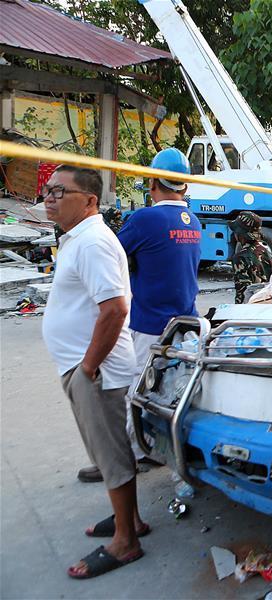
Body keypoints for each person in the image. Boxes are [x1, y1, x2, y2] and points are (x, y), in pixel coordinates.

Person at [41, 165, 146, 578]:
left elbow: (115, 309)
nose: (49, 198)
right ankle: (129, 519)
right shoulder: (77, 238)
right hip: (84, 366)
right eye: (48, 190)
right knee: (107, 451)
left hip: (96, 370)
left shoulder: (93, 242)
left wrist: (87, 367)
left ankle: (126, 541)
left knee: (111, 455)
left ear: (89, 201)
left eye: (59, 192)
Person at [113, 147, 201, 468]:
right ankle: (164, 446)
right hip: (186, 322)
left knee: (138, 388)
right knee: (172, 387)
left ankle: (136, 453)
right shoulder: (193, 221)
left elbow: (112, 253)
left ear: (152, 182)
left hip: (150, 323)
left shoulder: (144, 219)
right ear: (184, 185)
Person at [230, 211, 272, 303]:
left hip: (252, 304)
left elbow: (242, 291)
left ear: (240, 234)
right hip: (268, 300)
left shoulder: (239, 258)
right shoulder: (266, 250)